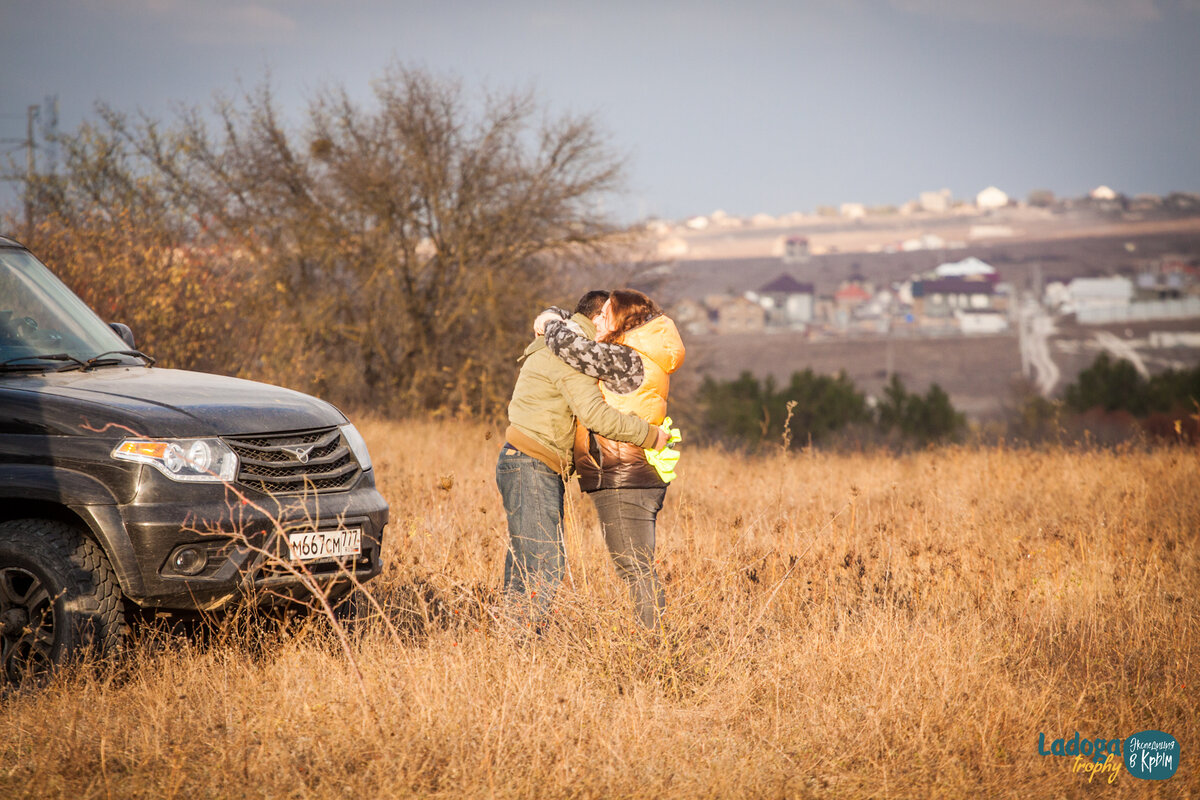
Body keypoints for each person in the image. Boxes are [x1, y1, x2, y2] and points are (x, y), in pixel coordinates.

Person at [497, 290, 668, 632]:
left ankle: (510, 637)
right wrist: (650, 435)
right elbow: (596, 416)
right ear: (595, 319)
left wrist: (549, 317)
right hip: (532, 463)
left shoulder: (563, 338)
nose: (611, 327)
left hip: (524, 461)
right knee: (545, 563)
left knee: (524, 561)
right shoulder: (573, 356)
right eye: (606, 318)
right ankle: (520, 644)